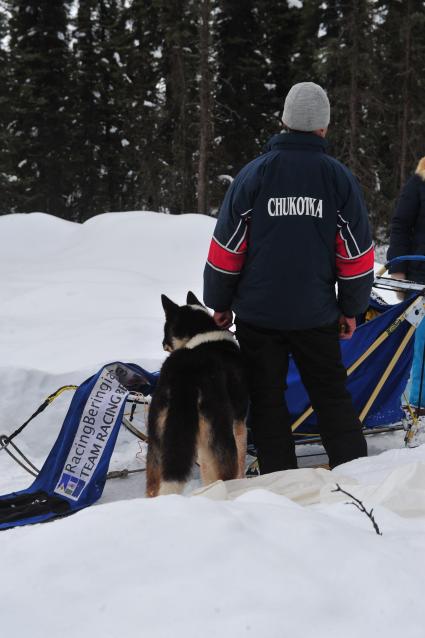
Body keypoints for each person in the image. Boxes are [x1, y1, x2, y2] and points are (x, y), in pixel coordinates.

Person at [203, 81, 374, 474]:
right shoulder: (337, 178)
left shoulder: (253, 175)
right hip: (316, 315)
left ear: (284, 121)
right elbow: (356, 254)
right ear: (323, 127)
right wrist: (351, 308)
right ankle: (355, 477)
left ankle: (280, 480)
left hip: (258, 316)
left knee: (266, 398)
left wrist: (221, 301)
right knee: (331, 394)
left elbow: (227, 248)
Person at [387, 157, 425, 409]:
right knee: (421, 344)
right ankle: (418, 402)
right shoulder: (418, 183)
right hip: (421, 275)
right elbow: (400, 225)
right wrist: (398, 269)